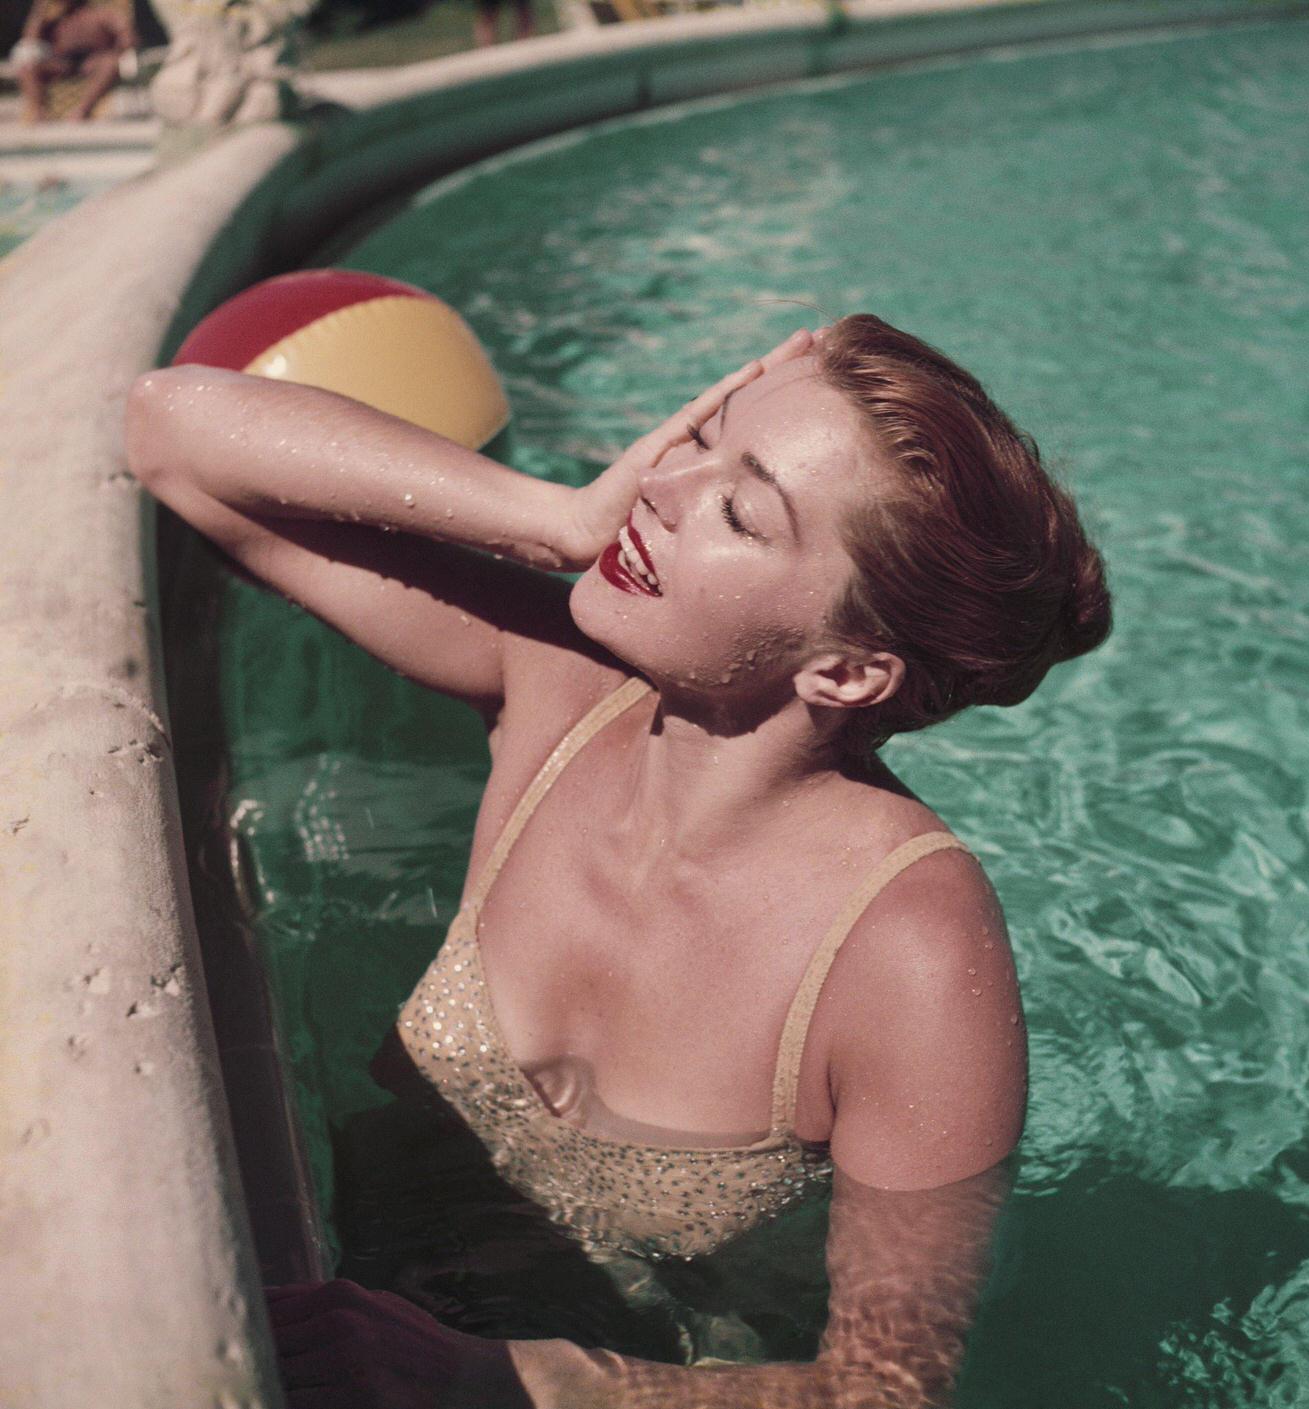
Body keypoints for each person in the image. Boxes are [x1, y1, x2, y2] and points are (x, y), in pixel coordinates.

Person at [125, 315, 1112, 1406]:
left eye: (738, 509)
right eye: (698, 439)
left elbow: (884, 1387)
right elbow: (171, 429)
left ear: (845, 670)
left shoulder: (908, 951)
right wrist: (554, 520)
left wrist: (487, 1379)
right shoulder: (557, 687)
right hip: (353, 1293)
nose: (662, 487)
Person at [10, 0, 135, 124]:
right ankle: (39, 112)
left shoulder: (102, 14)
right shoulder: (56, 20)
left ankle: (82, 111)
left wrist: (119, 49)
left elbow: (127, 37)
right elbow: (30, 41)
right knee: (27, 66)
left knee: (110, 63)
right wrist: (40, 7)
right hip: (62, 63)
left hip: (93, 61)